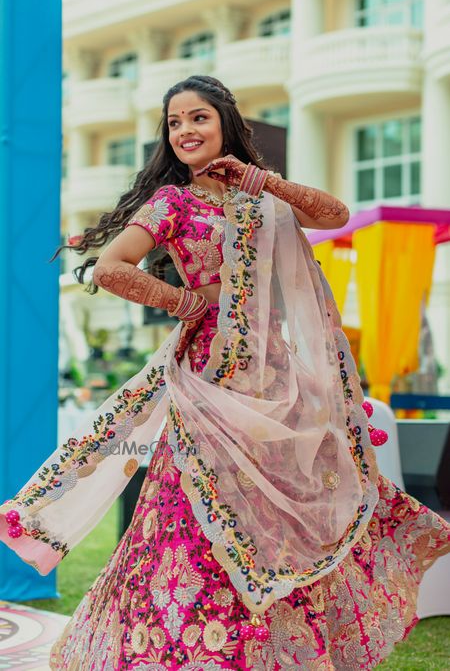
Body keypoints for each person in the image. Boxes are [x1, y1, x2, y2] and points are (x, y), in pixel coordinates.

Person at [0, 75, 449, 670]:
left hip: (276, 384)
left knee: (280, 521)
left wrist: (264, 182)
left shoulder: (264, 201)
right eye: (174, 122)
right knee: (190, 523)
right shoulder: (171, 203)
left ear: (226, 124)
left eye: (198, 118)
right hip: (207, 383)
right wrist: (185, 304)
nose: (185, 130)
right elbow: (110, 268)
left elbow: (335, 213)